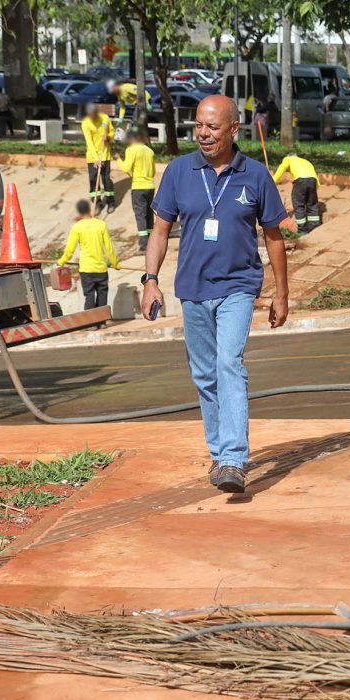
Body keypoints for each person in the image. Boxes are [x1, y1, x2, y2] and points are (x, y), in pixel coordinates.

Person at [143, 95, 289, 496]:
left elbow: (274, 238)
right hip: (192, 289)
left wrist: (281, 293)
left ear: (233, 130)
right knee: (204, 375)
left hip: (238, 286)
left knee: (229, 364)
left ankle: (233, 459)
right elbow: (159, 232)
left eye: (213, 127)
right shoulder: (177, 171)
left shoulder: (256, 176)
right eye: (198, 126)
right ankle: (220, 453)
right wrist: (149, 279)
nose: (204, 134)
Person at [57, 199, 119, 312]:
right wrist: (115, 263)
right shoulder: (101, 224)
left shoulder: (77, 227)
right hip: (101, 268)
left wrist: (61, 261)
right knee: (102, 295)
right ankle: (102, 322)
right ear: (89, 209)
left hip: (86, 269)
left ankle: (91, 323)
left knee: (89, 295)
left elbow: (70, 250)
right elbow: (109, 247)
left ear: (79, 212)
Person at [117, 127, 156, 252]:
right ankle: (152, 241)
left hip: (138, 187)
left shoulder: (131, 150)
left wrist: (118, 158)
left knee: (141, 215)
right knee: (149, 214)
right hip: (150, 187)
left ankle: (144, 245)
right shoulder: (149, 151)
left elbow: (125, 167)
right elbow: (153, 171)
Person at [272, 153, 321, 233]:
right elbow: (315, 178)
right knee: (312, 204)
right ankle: (314, 228)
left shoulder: (288, 159)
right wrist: (313, 191)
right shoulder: (306, 161)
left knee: (299, 205)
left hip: (300, 180)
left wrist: (272, 181)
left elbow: (282, 168)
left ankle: (302, 230)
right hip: (313, 181)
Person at [81, 103, 115, 214]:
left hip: (105, 154)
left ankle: (111, 202)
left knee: (106, 180)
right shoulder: (85, 123)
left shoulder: (105, 118)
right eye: (91, 115)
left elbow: (112, 131)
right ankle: (97, 204)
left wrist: (108, 137)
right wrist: (96, 159)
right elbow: (89, 142)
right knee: (93, 180)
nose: (93, 117)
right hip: (92, 157)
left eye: (94, 114)